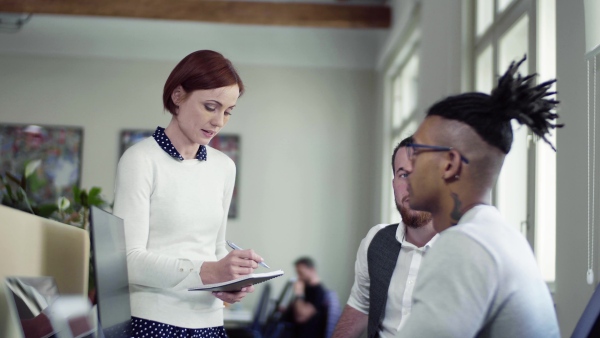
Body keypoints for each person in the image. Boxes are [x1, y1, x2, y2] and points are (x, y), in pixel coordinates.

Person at [396, 56, 561, 337]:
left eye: (417, 151)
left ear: (449, 164)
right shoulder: (500, 237)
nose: (407, 167)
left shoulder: (465, 245)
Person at [113, 50, 265, 338]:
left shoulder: (224, 167)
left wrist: (229, 280)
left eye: (228, 111)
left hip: (209, 323)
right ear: (178, 96)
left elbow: (216, 247)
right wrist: (211, 272)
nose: (219, 121)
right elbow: (128, 261)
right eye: (211, 106)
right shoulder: (140, 160)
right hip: (153, 322)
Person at [332, 136, 438, 338]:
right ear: (394, 184)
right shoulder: (376, 240)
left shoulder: (466, 250)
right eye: (404, 175)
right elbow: (360, 305)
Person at [282, 257, 329, 338]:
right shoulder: (307, 287)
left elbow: (301, 317)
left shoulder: (317, 291)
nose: (299, 277)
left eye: (301, 273)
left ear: (312, 270)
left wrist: (299, 293)